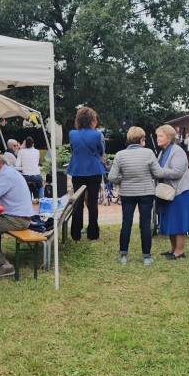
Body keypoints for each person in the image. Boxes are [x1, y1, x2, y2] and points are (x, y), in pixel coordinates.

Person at [108, 126, 163, 265]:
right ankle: (146, 256)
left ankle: (123, 255)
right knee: (145, 224)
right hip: (146, 193)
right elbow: (158, 173)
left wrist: (124, 179)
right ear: (141, 139)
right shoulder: (149, 153)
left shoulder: (120, 155)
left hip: (127, 193)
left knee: (126, 223)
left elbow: (112, 177)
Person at [153, 124, 189, 259]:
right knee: (171, 221)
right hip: (168, 193)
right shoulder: (163, 151)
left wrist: (158, 172)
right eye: (157, 136)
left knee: (179, 222)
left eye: (160, 136)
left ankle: (179, 252)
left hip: (180, 193)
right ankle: (172, 249)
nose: (157, 138)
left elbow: (177, 172)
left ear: (169, 137)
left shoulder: (177, 151)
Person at [67, 107, 107, 241]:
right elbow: (101, 151)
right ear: (92, 120)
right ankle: (93, 233)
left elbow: (73, 149)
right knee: (93, 202)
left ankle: (75, 233)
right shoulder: (97, 134)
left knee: (78, 202)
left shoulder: (72, 134)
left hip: (77, 170)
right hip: (94, 170)